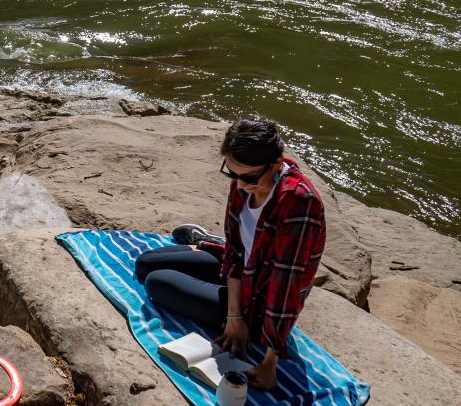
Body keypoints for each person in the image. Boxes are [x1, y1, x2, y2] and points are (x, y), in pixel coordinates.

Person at [134, 119, 326, 390]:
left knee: (157, 282)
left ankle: (203, 246)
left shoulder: (298, 204)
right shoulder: (245, 183)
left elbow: (286, 286)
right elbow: (236, 248)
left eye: (248, 177)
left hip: (260, 299)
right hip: (241, 266)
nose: (239, 183)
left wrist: (270, 360)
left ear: (277, 164)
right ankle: (206, 242)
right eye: (231, 174)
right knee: (145, 263)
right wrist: (233, 316)